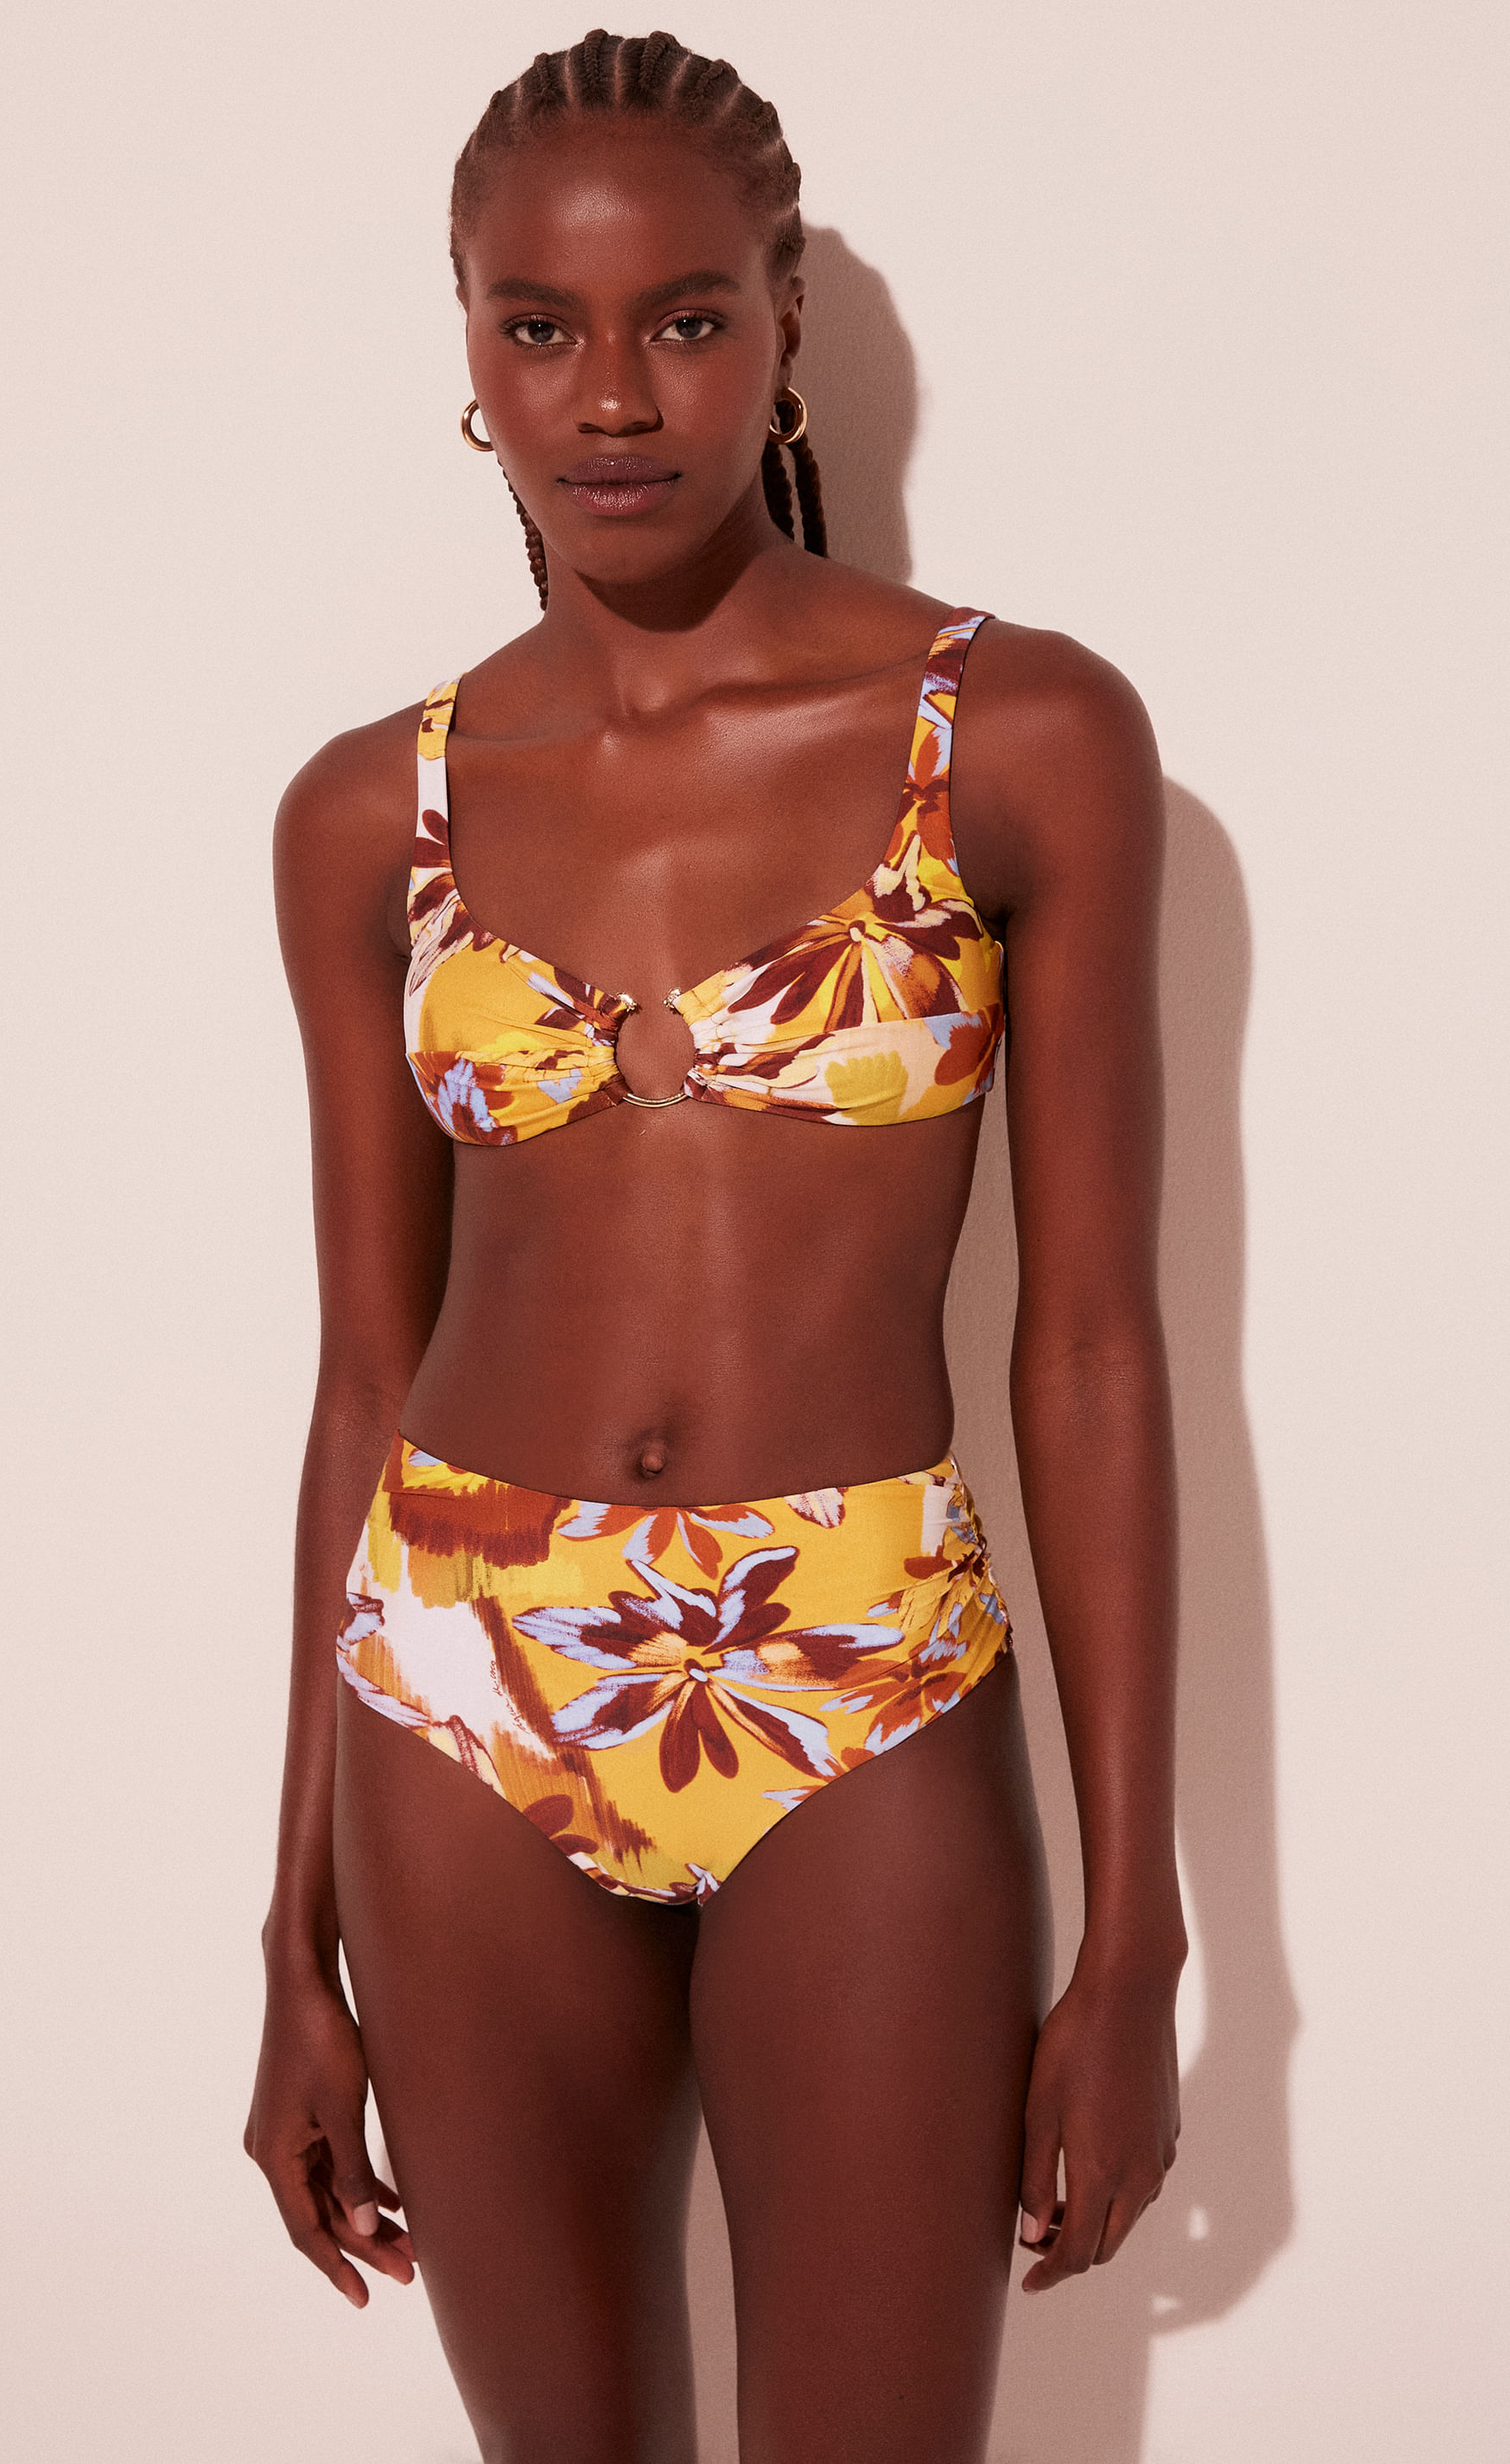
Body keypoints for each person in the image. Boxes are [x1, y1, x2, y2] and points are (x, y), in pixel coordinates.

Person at [245, 28, 1185, 2462]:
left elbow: (1092, 1350)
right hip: (459, 1678)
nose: (609, 393)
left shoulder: (1019, 737)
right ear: (468, 355)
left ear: (781, 332)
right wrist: (288, 1931)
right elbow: (361, 1375)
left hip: (859, 1663)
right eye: (536, 326)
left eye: (682, 317)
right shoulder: (370, 811)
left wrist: (1145, 1931)